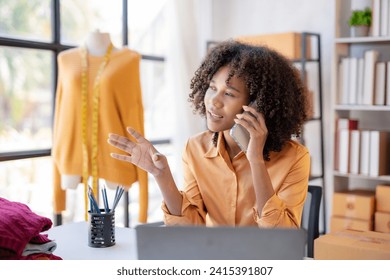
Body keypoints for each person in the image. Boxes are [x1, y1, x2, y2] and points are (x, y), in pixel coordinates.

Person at [108, 40, 310, 228]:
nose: (214, 101)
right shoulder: (195, 148)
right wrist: (162, 176)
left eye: (229, 94)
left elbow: (283, 237)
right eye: (212, 88)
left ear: (258, 105)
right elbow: (191, 226)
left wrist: (255, 159)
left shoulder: (295, 158)